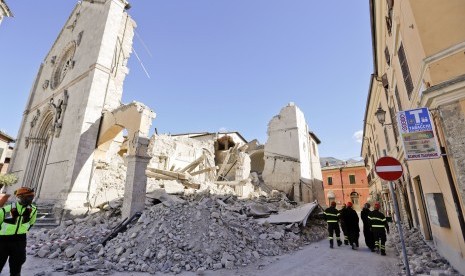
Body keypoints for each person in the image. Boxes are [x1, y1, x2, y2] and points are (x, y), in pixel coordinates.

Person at [0, 187, 37, 276]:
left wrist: (23, 231)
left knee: (16, 269)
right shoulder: (6, 210)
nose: (29, 199)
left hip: (20, 242)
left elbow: (31, 223)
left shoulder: (33, 210)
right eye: (27, 197)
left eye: (31, 197)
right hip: (2, 242)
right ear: (19, 197)